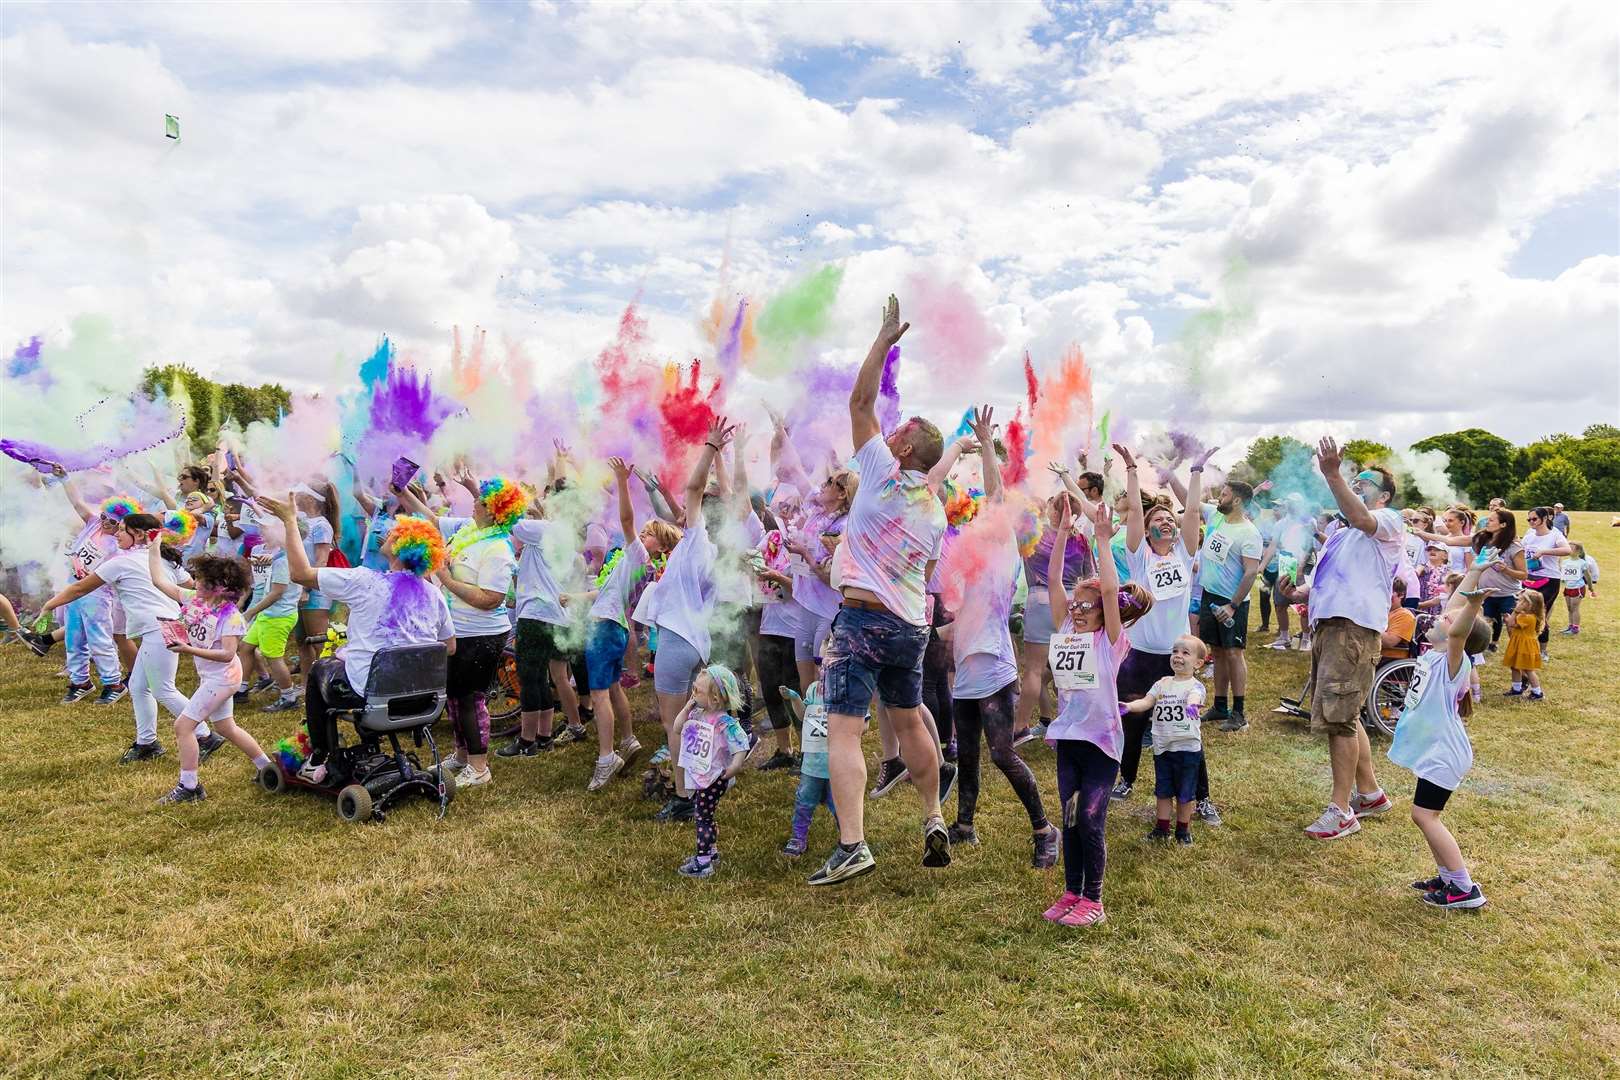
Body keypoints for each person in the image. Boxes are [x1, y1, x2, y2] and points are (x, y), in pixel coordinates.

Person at [810, 295, 950, 887]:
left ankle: (852, 845)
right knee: (911, 721)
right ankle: (934, 816)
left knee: (845, 728)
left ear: (903, 450)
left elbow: (859, 401)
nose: (887, 430)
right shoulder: (936, 509)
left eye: (899, 431)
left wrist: (884, 341)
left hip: (863, 622)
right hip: (909, 628)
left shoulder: (881, 473)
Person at [255, 498, 455, 785]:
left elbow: (300, 574)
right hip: (422, 697)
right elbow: (448, 647)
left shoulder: (365, 582)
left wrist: (289, 521)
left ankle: (319, 755)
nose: (386, 534)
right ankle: (367, 748)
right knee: (349, 665)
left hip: (373, 693)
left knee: (320, 671)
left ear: (400, 548)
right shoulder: (433, 594)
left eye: (394, 534)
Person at [943, 406, 1058, 865]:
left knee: (1002, 754)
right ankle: (965, 825)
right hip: (968, 662)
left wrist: (988, 443)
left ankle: (1044, 830)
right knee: (967, 752)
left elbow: (993, 492)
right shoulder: (969, 551)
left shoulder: (1002, 548)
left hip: (992, 663)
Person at [1041, 500, 1153, 927]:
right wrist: (1063, 534)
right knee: (1069, 817)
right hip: (1068, 737)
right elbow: (1052, 578)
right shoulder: (1065, 629)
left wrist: (1103, 540)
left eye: (1085, 604)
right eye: (1075, 602)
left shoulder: (1111, 640)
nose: (1076, 608)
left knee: (1091, 818)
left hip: (1102, 742)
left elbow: (1109, 591)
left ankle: (1094, 900)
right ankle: (1071, 891)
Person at [1112, 443, 1220, 826]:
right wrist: (1130, 467)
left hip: (1176, 659)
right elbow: (1137, 511)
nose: (1167, 521)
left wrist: (1196, 470)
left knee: (1185, 729)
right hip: (1140, 654)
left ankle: (1203, 799)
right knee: (1133, 721)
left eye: (1170, 519)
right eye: (1160, 519)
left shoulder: (1184, 554)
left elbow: (1191, 510)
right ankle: (1124, 779)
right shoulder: (1139, 555)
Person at [400, 472, 525, 788]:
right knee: (454, 696)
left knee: (470, 698)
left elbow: (490, 599)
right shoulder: (470, 530)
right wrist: (401, 491)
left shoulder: (498, 549)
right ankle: (460, 755)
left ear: (494, 511)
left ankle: (480, 767)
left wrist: (448, 579)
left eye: (480, 502)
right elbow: (431, 520)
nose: (474, 505)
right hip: (456, 631)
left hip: (481, 634)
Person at [1300, 442, 1398, 841]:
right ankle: (1370, 794)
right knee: (1344, 711)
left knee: (1340, 718)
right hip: (1330, 627)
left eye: (1365, 483)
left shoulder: (1389, 520)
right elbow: (1330, 578)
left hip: (1353, 629)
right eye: (1353, 481)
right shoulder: (1341, 533)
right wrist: (1301, 592)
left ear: (1385, 495)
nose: (1358, 487)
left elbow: (1360, 515)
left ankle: (1341, 811)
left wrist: (1332, 475)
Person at [1388, 554, 1493, 910]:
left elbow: (1460, 626)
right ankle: (1448, 878)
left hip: (1444, 754)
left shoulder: (1453, 661)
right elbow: (1454, 605)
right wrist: (1476, 572)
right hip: (1436, 751)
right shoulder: (1434, 653)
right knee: (1424, 816)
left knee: (1423, 816)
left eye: (1445, 620)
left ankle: (1464, 888)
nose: (1439, 616)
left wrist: (1474, 605)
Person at [643, 417, 734, 823]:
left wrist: (712, 448)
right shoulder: (709, 549)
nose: (683, 511)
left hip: (678, 640)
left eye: (692, 509)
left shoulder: (696, 542)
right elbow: (704, 497)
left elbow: (694, 489)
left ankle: (684, 798)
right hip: (695, 640)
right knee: (697, 716)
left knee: (673, 720)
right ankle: (706, 778)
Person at [144, 545, 273, 804]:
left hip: (223, 677)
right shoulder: (195, 599)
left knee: (183, 726)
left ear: (220, 587)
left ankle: (189, 786)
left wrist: (187, 649)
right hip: (212, 676)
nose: (197, 584)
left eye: (202, 582)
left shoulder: (231, 617)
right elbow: (159, 581)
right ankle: (268, 768)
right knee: (226, 727)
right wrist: (154, 547)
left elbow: (227, 653)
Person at [579, 457, 664, 790]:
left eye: (649, 534)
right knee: (613, 688)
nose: (641, 535)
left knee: (599, 695)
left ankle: (606, 757)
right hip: (614, 626)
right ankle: (628, 740)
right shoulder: (635, 561)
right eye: (643, 533)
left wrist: (621, 481)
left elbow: (626, 518)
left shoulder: (639, 556)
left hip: (605, 628)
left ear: (660, 547)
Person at [43, 472, 132, 704]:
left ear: (122, 525)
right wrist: (64, 479)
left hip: (97, 594)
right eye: (104, 516)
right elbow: (77, 502)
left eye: (112, 521)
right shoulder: (93, 524)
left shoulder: (120, 545)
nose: (105, 522)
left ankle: (113, 682)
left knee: (99, 638)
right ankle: (79, 681)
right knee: (73, 636)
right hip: (74, 587)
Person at [1122, 634, 1208, 846]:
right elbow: (1146, 701)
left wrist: (1192, 705)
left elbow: (1194, 698)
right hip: (1162, 747)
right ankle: (1161, 828)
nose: (1178, 656)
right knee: (1163, 790)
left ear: (1198, 663)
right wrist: (1129, 707)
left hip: (1187, 748)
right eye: (1175, 651)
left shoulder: (1195, 686)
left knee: (1185, 793)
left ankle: (1183, 830)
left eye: (1185, 653)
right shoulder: (1162, 684)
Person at [1195, 479, 1264, 732]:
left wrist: (1233, 606)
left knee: (1234, 652)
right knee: (1218, 651)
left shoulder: (1249, 533)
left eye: (1223, 495)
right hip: (1209, 596)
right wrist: (1173, 476)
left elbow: (1250, 573)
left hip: (1232, 603)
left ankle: (1239, 713)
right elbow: (1188, 502)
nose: (1218, 498)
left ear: (1236, 500)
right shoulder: (1216, 516)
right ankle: (1220, 706)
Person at [674, 665, 751, 879]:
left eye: (697, 691)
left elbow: (741, 743)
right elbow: (677, 727)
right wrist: (688, 706)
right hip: (701, 774)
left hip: (715, 777)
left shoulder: (724, 722)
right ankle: (712, 853)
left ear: (715, 698)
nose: (693, 693)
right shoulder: (698, 714)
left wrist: (734, 767)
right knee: (706, 814)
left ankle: (703, 862)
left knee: (702, 817)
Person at [1418, 510, 1525, 648]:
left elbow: (1523, 574)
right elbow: (1449, 540)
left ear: (1503, 524)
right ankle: (1475, 655)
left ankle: (1517, 657)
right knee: (1478, 627)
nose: (1487, 522)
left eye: (1491, 520)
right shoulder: (1482, 539)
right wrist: (1421, 533)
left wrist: (1506, 569)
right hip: (1485, 593)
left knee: (1512, 627)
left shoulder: (1514, 547)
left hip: (1508, 594)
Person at [238, 539, 301, 712]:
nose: (263, 533)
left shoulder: (283, 561)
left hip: (277, 616)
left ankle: (289, 697)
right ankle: (240, 690)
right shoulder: (280, 556)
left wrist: (251, 611)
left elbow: (277, 593)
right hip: (268, 615)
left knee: (273, 658)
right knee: (245, 646)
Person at [780, 683, 838, 857]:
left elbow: (863, 725)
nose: (823, 667)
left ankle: (850, 840)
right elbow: (804, 715)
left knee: (840, 804)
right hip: (812, 763)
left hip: (838, 764)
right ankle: (798, 838)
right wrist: (795, 698)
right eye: (818, 662)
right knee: (804, 800)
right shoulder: (814, 689)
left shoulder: (850, 688)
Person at [1263, 494, 1322, 650]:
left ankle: (1306, 638)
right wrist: (1262, 565)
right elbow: (1273, 546)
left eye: (1294, 503)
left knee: (1304, 605)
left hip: (1305, 566)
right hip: (1286, 564)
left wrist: (1301, 568)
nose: (1290, 506)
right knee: (1280, 603)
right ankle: (1284, 637)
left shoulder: (1309, 521)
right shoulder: (1281, 524)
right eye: (1288, 502)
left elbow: (1310, 547)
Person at [1521, 506, 1572, 660]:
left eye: (1534, 519)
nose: (1531, 522)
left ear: (1544, 519)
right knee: (1525, 612)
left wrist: (1544, 551)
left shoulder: (1554, 535)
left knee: (1539, 612)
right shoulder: (1529, 535)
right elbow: (1520, 550)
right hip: (1530, 577)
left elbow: (1567, 550)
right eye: (1529, 519)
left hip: (1550, 579)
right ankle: (1527, 646)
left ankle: (1543, 651)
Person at [1501, 589, 1546, 700]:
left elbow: (1511, 623)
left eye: (1522, 602)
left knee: (1528, 669)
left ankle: (1537, 692)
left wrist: (1515, 612)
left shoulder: (1528, 617)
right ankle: (1516, 689)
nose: (1518, 603)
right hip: (1519, 644)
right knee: (1515, 667)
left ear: (1531, 605)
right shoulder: (1524, 616)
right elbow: (1511, 624)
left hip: (1525, 646)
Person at [1558, 542, 1597, 635]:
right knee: (1569, 608)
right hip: (1568, 587)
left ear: (1578, 551)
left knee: (1575, 607)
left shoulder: (1582, 563)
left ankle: (1576, 628)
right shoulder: (1565, 562)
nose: (1568, 550)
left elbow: (1588, 577)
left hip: (1578, 587)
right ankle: (1570, 626)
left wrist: (1591, 588)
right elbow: (1563, 573)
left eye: (1571, 548)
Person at [1381, 579, 1417, 660]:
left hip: (1388, 658)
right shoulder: (1382, 611)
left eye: (1389, 593)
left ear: (1401, 595)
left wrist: (1367, 626)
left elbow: (1390, 641)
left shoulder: (1405, 615)